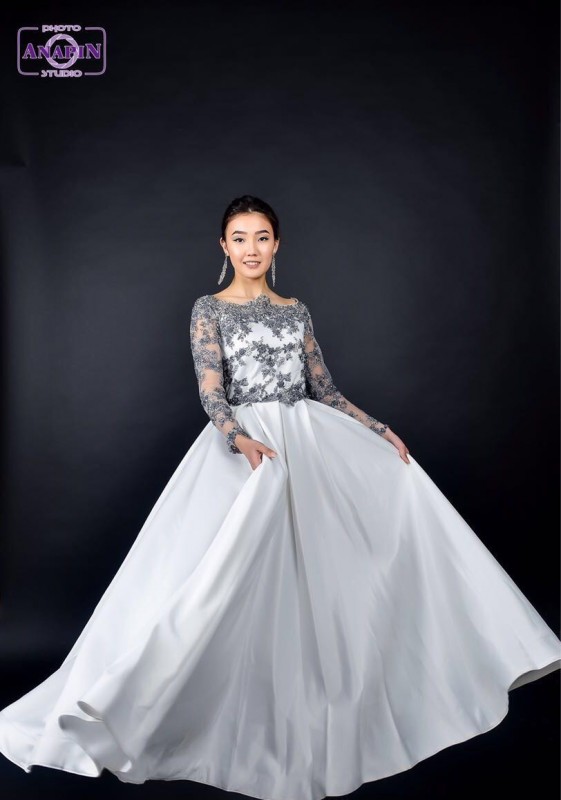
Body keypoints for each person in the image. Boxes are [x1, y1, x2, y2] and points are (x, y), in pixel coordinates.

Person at [0, 194, 559, 800]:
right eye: (239, 238)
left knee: (319, 574)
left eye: (262, 237)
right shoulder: (208, 309)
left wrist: (379, 430)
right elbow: (211, 392)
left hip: (307, 446)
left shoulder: (297, 312)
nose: (251, 249)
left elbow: (325, 389)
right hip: (246, 449)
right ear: (224, 246)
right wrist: (239, 438)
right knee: (213, 582)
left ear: (277, 244)